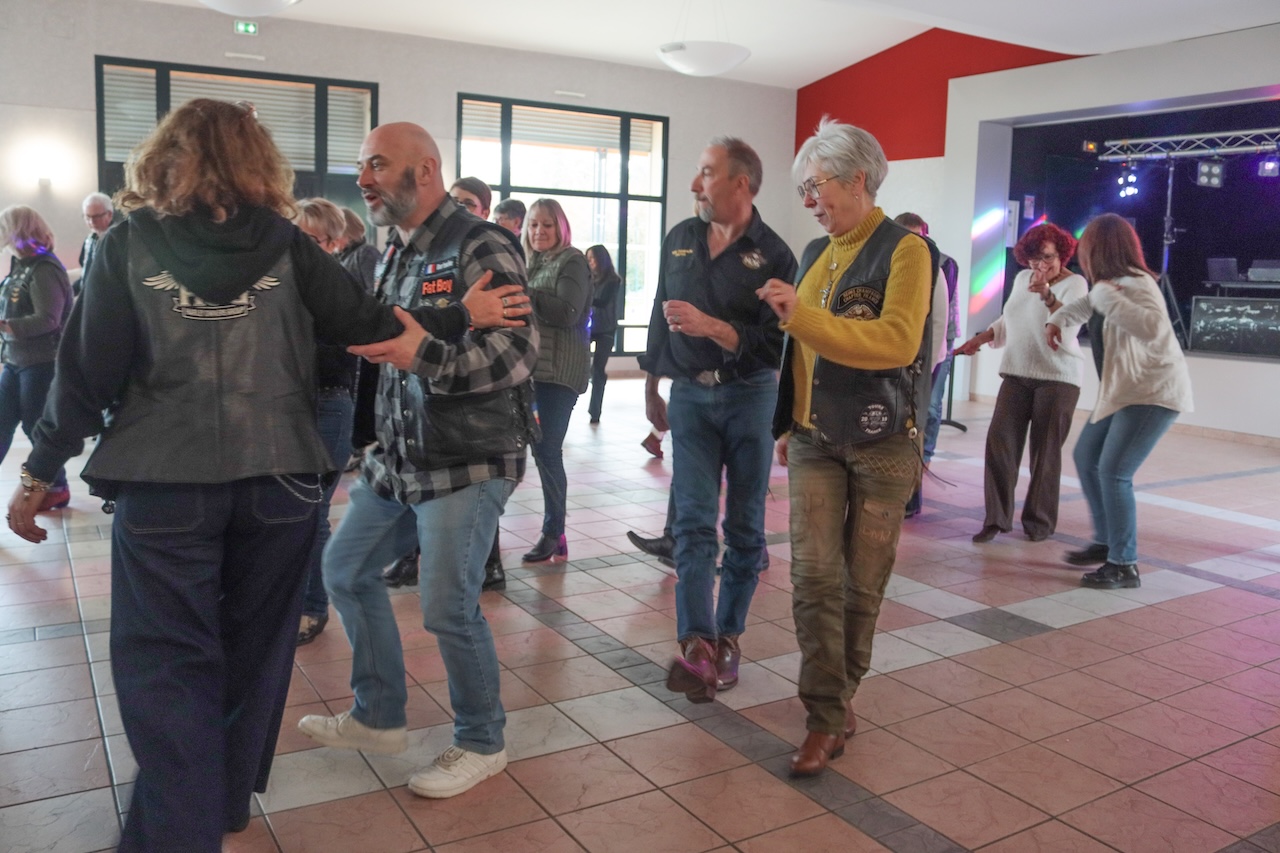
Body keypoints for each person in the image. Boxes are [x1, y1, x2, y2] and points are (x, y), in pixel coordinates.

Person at [3, 99, 463, 852]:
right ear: (258, 162)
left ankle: (177, 832)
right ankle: (219, 801)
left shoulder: (127, 243)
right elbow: (370, 323)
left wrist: (37, 471)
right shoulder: (288, 244)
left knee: (166, 663)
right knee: (256, 655)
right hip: (280, 480)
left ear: (165, 157)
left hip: (164, 484)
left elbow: (83, 375)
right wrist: (460, 315)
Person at [298, 121, 538, 801]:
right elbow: (386, 334)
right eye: (361, 166)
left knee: (447, 607)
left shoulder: (481, 243)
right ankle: (377, 715)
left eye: (377, 164)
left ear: (425, 171)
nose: (363, 179)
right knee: (344, 569)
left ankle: (483, 740)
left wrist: (424, 353)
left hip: (467, 457)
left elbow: (516, 355)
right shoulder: (396, 250)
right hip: (400, 456)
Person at [756, 118, 937, 778]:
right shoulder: (814, 251)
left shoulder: (906, 251)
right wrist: (787, 421)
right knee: (812, 578)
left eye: (816, 186)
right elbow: (799, 349)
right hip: (813, 440)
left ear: (857, 178)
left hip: (883, 443)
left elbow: (896, 342)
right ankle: (824, 716)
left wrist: (801, 315)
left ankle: (840, 696)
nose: (809, 200)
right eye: (804, 190)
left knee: (862, 585)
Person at [639, 137, 795, 704]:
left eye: (705, 173)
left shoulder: (775, 255)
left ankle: (728, 637)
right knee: (693, 522)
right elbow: (660, 312)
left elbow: (775, 346)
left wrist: (712, 327)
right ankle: (696, 643)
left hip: (749, 396)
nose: (694, 185)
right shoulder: (680, 237)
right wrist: (653, 386)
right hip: (688, 397)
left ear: (740, 183)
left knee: (745, 527)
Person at [1046, 213, 1192, 589]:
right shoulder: (1110, 286)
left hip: (1151, 393)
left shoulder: (1137, 283)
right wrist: (1056, 320)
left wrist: (1106, 296)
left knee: (1114, 472)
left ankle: (1124, 564)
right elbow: (1085, 307)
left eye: (1087, 247)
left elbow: (1152, 327)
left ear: (1100, 249)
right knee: (1086, 457)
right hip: (1123, 392)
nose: (1083, 255)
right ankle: (1107, 541)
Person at [386, 176, 510, 590]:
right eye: (455, 201)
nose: (459, 208)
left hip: (470, 425)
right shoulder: (413, 252)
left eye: (468, 203)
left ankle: (490, 563)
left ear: (484, 209)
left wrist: (431, 348)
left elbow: (508, 350)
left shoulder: (485, 247)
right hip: (417, 415)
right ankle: (410, 557)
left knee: (451, 599)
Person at [955, 222, 1087, 543]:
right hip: (1017, 372)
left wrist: (1047, 295)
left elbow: (1068, 324)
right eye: (1033, 260)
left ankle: (1038, 523)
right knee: (1000, 443)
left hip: (1058, 378)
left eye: (1047, 258)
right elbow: (1010, 318)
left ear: (1062, 254)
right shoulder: (1022, 279)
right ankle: (995, 519)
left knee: (1045, 453)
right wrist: (981, 338)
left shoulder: (1076, 284)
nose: (1040, 266)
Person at [293, 197, 360, 646]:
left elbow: (342, 355)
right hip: (295, 405)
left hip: (328, 404)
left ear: (334, 242)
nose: (301, 246)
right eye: (296, 236)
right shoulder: (288, 281)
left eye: (312, 239)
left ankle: (313, 607)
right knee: (293, 513)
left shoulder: (337, 284)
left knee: (312, 513)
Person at [521, 198, 592, 562]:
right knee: (534, 449)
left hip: (560, 372)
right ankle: (555, 533)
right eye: (534, 224)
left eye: (547, 225)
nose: (539, 231)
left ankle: (554, 532)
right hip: (531, 370)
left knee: (547, 450)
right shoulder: (530, 263)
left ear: (561, 228)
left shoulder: (572, 260)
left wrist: (525, 293)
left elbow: (567, 312)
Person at [0, 205, 73, 511]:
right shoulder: (20, 266)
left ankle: (57, 487)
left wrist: (6, 326)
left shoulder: (44, 268)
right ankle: (56, 486)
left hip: (42, 362)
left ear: (17, 231)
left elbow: (49, 319)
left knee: (36, 427)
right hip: (15, 361)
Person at [897, 213, 959, 517]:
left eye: (917, 236)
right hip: (899, 361)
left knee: (923, 416)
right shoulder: (893, 262)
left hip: (929, 358)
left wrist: (929, 366)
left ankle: (913, 493)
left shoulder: (939, 265)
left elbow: (939, 322)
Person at [585, 244, 620, 423]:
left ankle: (595, 411)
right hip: (589, 328)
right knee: (583, 365)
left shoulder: (613, 280)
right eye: (588, 258)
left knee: (598, 370)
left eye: (592, 258)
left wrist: (583, 297)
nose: (590, 262)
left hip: (606, 329)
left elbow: (603, 301)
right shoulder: (588, 279)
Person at [73, 192, 115, 296]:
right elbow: (86, 274)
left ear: (109, 214)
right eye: (87, 217)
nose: (92, 222)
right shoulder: (90, 239)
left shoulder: (116, 239)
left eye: (96, 217)